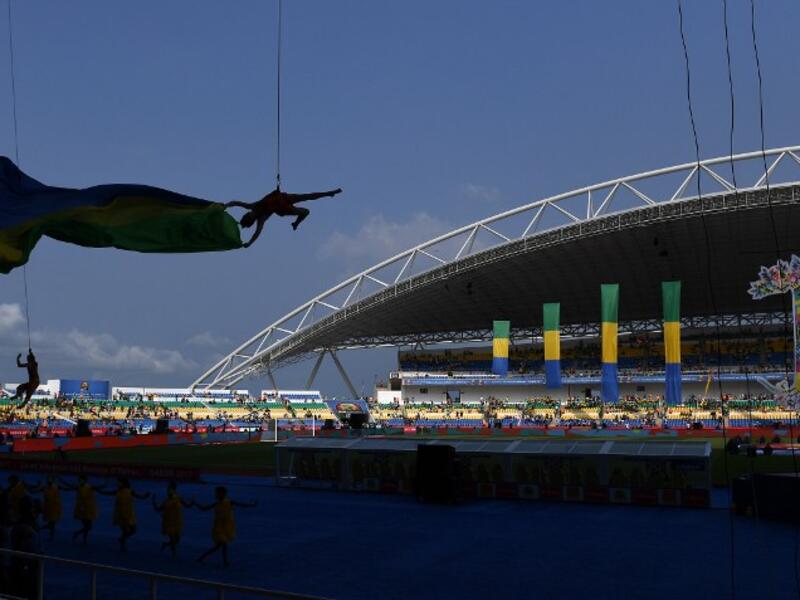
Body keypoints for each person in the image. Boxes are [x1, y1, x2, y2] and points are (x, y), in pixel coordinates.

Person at [225, 186, 342, 246]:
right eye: (250, 216)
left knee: (307, 196)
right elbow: (257, 233)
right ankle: (296, 223)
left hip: (282, 198)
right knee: (306, 211)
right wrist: (249, 243)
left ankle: (329, 193)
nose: (250, 214)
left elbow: (236, 203)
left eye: (248, 215)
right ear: (251, 219)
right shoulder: (261, 218)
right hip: (283, 208)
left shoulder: (252, 207)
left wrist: (226, 205)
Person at [195, 486, 257, 566]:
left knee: (219, 546)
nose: (216, 495)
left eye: (218, 493)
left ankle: (203, 558)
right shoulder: (217, 503)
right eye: (216, 493)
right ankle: (223, 561)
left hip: (226, 527)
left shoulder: (228, 502)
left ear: (223, 494)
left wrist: (251, 504)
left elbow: (242, 504)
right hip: (218, 528)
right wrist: (195, 503)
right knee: (223, 544)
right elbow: (204, 508)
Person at [99, 477, 150, 551]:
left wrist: (145, 496)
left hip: (129, 513)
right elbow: (108, 493)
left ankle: (122, 539)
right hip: (121, 514)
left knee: (133, 530)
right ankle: (122, 544)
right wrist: (100, 491)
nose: (117, 484)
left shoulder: (129, 491)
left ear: (123, 483)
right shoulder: (118, 491)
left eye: (119, 482)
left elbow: (139, 496)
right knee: (125, 531)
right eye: (118, 482)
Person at [152, 481, 193, 556]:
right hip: (168, 522)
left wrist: (192, 502)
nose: (168, 491)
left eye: (170, 489)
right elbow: (158, 509)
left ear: (174, 490)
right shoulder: (166, 501)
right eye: (168, 489)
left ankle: (166, 544)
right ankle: (174, 554)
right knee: (172, 539)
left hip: (177, 522)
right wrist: (153, 502)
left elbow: (187, 505)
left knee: (177, 540)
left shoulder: (179, 498)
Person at [64, 474, 103, 545]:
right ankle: (82, 538)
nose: (80, 481)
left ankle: (79, 535)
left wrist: (105, 483)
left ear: (85, 480)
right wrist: (60, 479)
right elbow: (69, 485)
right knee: (87, 526)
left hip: (88, 509)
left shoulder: (88, 487)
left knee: (88, 527)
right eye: (80, 480)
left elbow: (99, 487)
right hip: (82, 509)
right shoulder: (79, 487)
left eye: (82, 480)